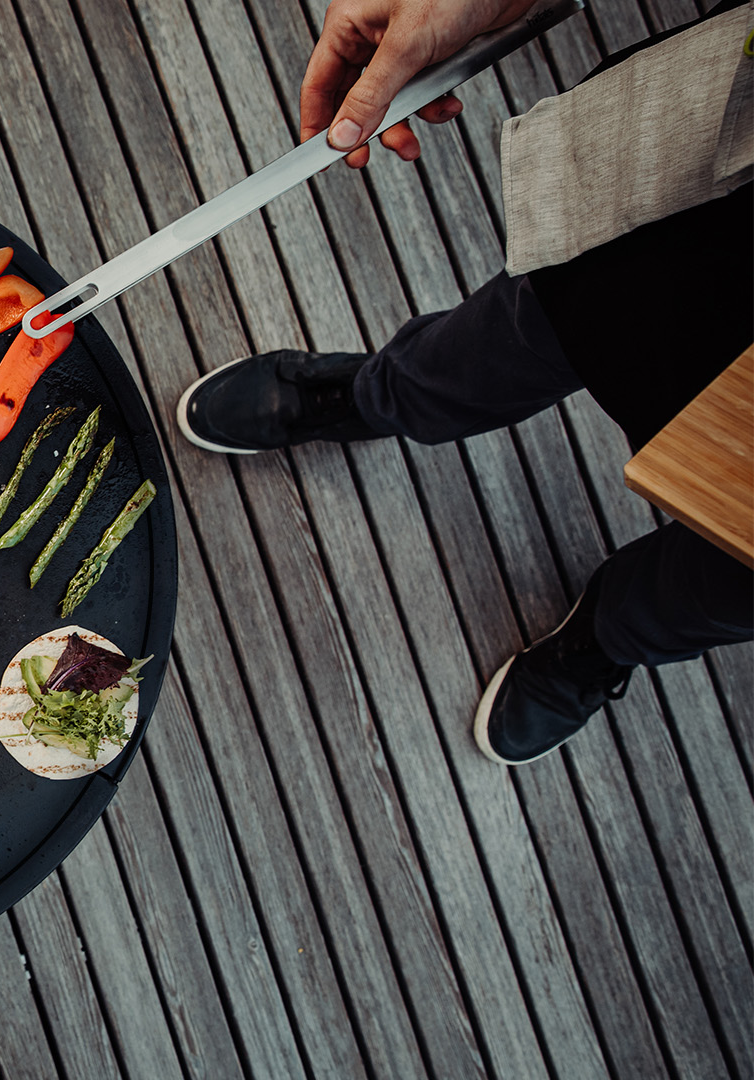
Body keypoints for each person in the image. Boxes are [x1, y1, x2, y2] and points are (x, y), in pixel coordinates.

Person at [176, 0, 752, 765]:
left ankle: (606, 638)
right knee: (546, 321)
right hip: (730, 228)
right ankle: (373, 394)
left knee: (729, 580)